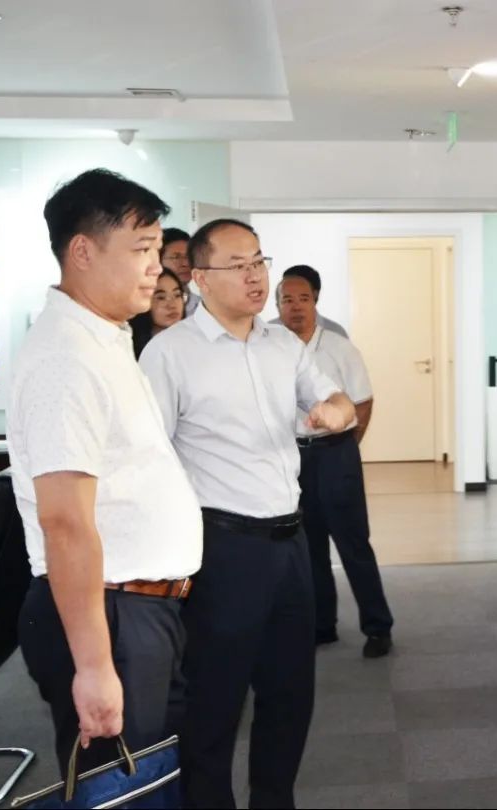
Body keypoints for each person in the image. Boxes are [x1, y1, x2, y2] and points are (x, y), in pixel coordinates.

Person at [140, 218, 355, 809]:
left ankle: (273, 800)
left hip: (291, 542)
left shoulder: (282, 344)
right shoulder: (170, 354)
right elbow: (149, 458)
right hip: (223, 547)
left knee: (291, 693)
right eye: (238, 266)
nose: (256, 276)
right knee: (216, 699)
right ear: (200, 278)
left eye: (259, 261)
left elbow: (336, 398)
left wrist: (335, 413)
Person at [8, 169, 202, 775]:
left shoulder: (104, 338)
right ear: (83, 252)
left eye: (158, 249)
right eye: (142, 249)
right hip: (111, 614)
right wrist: (94, 667)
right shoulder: (66, 358)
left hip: (138, 609)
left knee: (150, 781)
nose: (156, 267)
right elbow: (65, 522)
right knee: (118, 787)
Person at [277, 273, 394, 657]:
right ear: (277, 306)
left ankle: (378, 627)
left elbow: (362, 401)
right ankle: (322, 625)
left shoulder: (339, 347)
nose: (295, 307)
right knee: (308, 546)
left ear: (315, 302)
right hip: (293, 457)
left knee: (353, 543)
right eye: (287, 300)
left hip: (335, 453)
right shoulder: (270, 346)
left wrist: (345, 446)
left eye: (303, 299)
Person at [269, 265, 348, 337]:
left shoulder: (336, 332)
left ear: (315, 295)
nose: (296, 307)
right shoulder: (268, 332)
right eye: (289, 300)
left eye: (303, 298)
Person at [129, 268, 186, 359]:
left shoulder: (192, 342)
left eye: (177, 295)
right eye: (161, 297)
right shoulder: (127, 347)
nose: (172, 305)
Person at [161, 227, 199, 315]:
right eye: (176, 257)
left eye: (189, 256)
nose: (186, 263)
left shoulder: (204, 308)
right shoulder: (143, 307)